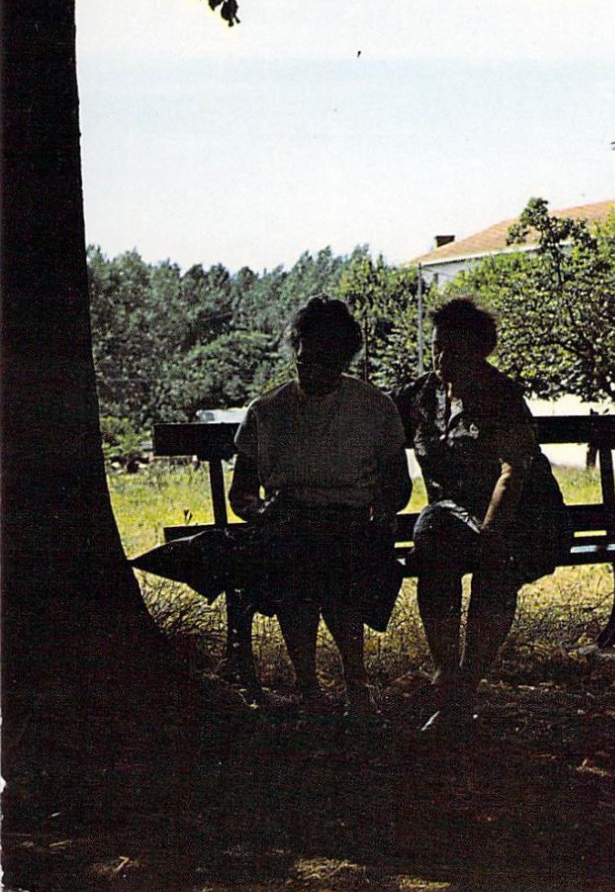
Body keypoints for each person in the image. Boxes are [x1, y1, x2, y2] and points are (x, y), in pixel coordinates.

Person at [229, 296, 411, 717]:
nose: (313, 372)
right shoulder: (267, 411)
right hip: (289, 523)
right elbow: (242, 493)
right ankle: (311, 686)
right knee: (300, 557)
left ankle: (354, 685)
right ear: (296, 351)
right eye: (306, 360)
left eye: (327, 362)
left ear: (345, 358)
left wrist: (381, 511)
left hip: (350, 524)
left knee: (332, 558)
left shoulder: (374, 408)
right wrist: (261, 511)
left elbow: (397, 486)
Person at [394, 297, 568, 734]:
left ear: (479, 351)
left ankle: (464, 689)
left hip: (522, 515)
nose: (442, 359)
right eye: (437, 347)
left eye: (454, 350)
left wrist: (490, 536)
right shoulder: (420, 397)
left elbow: (514, 471)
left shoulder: (501, 397)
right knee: (430, 536)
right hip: (454, 516)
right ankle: (446, 670)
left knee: (496, 567)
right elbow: (370, 422)